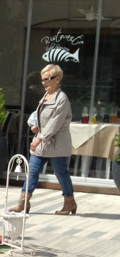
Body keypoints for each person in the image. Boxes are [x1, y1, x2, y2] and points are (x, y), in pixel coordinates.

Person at [12, 63, 75, 215]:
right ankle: (23, 202)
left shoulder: (62, 99)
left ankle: (69, 202)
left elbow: (54, 123)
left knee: (61, 173)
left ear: (57, 79)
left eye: (48, 79)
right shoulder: (45, 97)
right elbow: (38, 116)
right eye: (42, 79)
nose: (44, 82)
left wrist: (39, 138)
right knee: (32, 170)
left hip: (57, 145)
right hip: (42, 143)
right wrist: (33, 124)